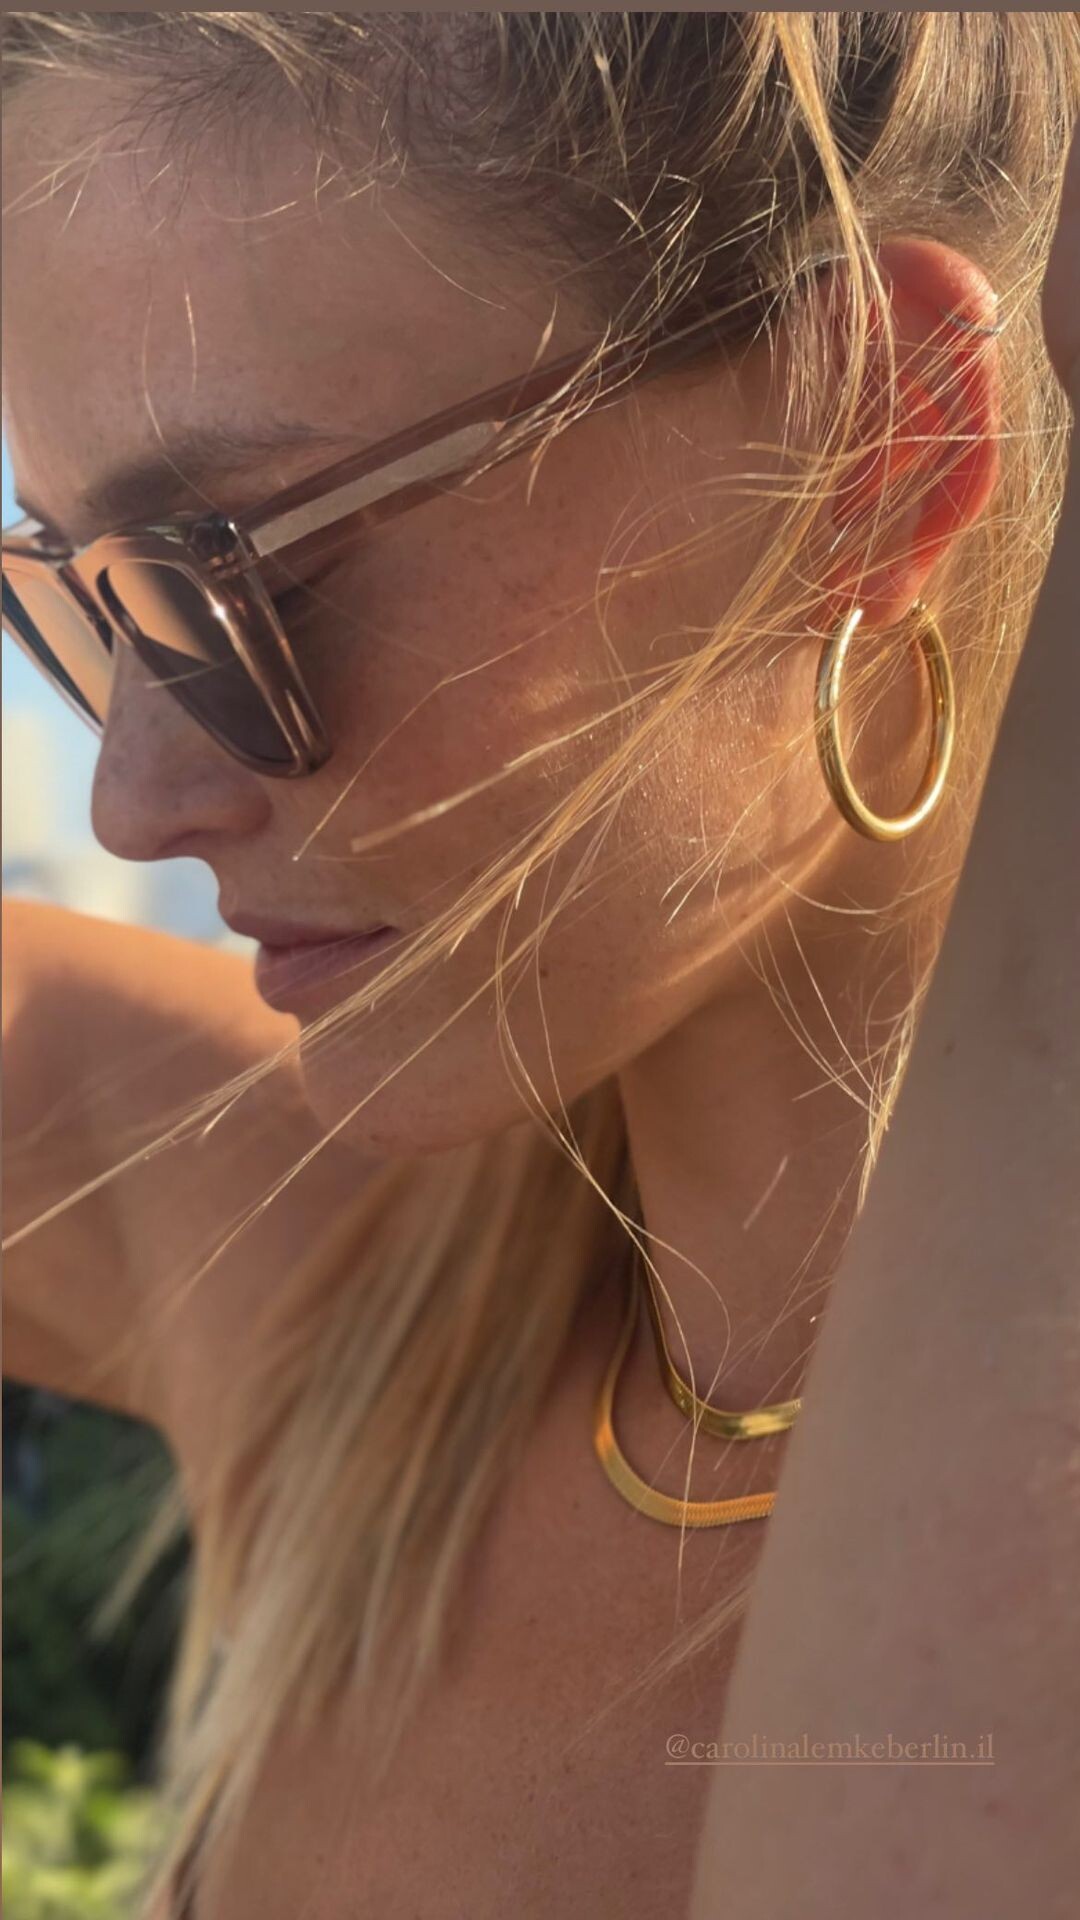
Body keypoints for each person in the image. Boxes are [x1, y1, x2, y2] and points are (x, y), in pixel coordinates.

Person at [2, 13, 1077, 1918]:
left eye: (234, 576)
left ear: (877, 443)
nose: (139, 799)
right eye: (92, 605)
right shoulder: (343, 1305)